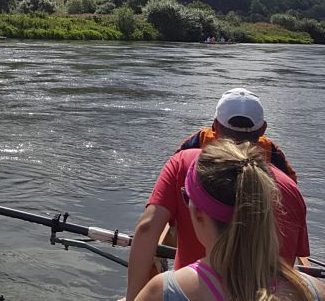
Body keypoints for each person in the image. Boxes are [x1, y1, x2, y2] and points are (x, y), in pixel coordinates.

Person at [125, 109, 310, 300]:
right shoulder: (315, 291)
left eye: (187, 197)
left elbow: (147, 227)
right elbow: (291, 257)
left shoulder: (163, 291)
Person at [177, 88, 297, 182]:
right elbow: (291, 194)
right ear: (263, 129)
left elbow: (172, 180)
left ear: (215, 126)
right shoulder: (271, 153)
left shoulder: (197, 143)